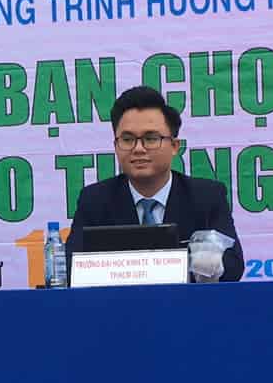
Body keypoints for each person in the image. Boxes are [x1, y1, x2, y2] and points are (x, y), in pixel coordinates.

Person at [66, 85, 243, 282]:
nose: (138, 149)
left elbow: (233, 266)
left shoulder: (207, 197)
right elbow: (71, 267)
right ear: (116, 146)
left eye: (150, 139)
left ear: (174, 146)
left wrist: (204, 262)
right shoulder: (95, 200)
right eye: (127, 139)